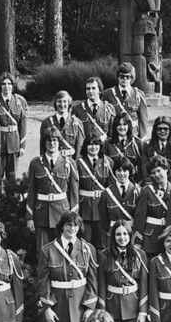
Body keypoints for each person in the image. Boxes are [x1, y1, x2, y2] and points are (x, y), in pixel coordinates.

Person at [26, 127, 80, 255]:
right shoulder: (36, 163)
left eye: (55, 140)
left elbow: (73, 192)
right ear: (44, 143)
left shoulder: (69, 163)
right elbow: (31, 191)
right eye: (49, 140)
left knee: (62, 250)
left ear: (59, 143)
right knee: (43, 252)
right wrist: (29, 217)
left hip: (62, 213)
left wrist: (73, 216)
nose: (52, 143)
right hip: (41, 214)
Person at [0, 73, 28, 194]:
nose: (6, 87)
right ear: (0, 86)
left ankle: (12, 204)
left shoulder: (19, 101)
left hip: (14, 144)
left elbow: (23, 124)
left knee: (12, 177)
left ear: (13, 85)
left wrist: (22, 146)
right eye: (3, 84)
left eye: (9, 84)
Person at [76, 134, 113, 251]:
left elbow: (111, 187)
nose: (93, 147)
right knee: (85, 242)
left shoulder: (108, 162)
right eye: (90, 144)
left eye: (96, 144)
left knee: (101, 245)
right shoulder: (78, 163)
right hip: (84, 208)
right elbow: (74, 188)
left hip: (101, 208)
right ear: (85, 146)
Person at [133, 155, 171, 258]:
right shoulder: (147, 191)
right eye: (153, 173)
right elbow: (139, 218)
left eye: (159, 171)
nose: (156, 175)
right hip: (151, 239)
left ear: (166, 169)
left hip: (169, 237)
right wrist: (138, 240)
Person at [103, 62, 149, 138]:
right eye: (122, 76)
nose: (124, 79)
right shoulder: (108, 94)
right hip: (114, 134)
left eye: (128, 77)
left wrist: (142, 137)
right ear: (117, 77)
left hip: (133, 134)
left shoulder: (139, 95)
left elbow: (143, 119)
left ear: (132, 78)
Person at [39, 90, 85, 159]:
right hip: (53, 161)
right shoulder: (47, 122)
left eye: (64, 101)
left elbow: (80, 147)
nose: (62, 104)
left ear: (69, 103)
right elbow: (43, 147)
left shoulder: (77, 123)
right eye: (59, 101)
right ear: (55, 103)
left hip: (70, 161)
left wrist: (76, 165)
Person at [71, 76, 115, 144]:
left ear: (100, 90)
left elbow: (112, 133)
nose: (90, 91)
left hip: (103, 148)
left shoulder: (109, 108)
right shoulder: (77, 109)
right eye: (88, 89)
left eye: (93, 88)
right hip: (85, 149)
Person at [99, 157, 139, 231]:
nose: (121, 173)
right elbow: (104, 221)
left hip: (131, 232)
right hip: (113, 233)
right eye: (119, 170)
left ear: (129, 171)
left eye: (125, 170)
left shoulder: (138, 191)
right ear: (114, 172)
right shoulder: (106, 193)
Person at [104, 112, 145, 183]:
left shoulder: (137, 143)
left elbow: (142, 165)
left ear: (129, 126)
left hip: (133, 182)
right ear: (115, 126)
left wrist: (139, 183)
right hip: (114, 182)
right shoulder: (108, 143)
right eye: (119, 125)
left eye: (124, 124)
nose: (122, 127)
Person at [141, 116, 171, 180]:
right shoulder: (147, 145)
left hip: (169, 182)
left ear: (170, 130)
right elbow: (144, 168)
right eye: (159, 129)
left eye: (166, 129)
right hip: (152, 182)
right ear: (155, 130)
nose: (162, 131)